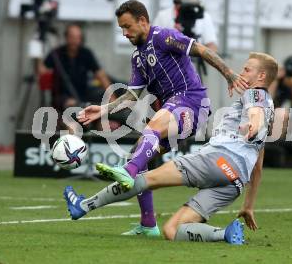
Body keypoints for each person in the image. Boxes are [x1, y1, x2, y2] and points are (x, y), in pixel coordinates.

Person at [72, 0, 248, 236]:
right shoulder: (138, 57)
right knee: (139, 157)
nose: (125, 33)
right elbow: (133, 94)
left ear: (143, 21)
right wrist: (104, 109)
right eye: (121, 29)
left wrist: (228, 73)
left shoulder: (164, 37)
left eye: (128, 26)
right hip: (173, 109)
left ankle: (128, 171)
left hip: (191, 102)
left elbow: (202, 50)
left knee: (150, 130)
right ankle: (147, 224)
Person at [64, 52, 278, 244]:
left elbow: (254, 112)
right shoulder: (269, 107)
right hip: (235, 182)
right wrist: (248, 205)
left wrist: (253, 122)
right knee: (171, 230)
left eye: (247, 69)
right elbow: (257, 165)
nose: (242, 72)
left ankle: (83, 206)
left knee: (142, 180)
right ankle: (225, 234)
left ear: (261, 77)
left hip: (218, 160)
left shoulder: (255, 95)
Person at [38, 24, 116, 132]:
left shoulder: (86, 53)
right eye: (72, 37)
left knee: (103, 121)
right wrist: (37, 55)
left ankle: (102, 146)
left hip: (82, 98)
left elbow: (100, 75)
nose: (75, 40)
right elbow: (41, 71)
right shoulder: (56, 53)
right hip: (61, 99)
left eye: (78, 37)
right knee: (71, 122)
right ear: (66, 38)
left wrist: (112, 97)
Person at [154, 0, 218, 52]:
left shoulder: (204, 17)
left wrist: (200, 52)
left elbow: (211, 45)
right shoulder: (162, 16)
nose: (186, 1)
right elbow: (153, 41)